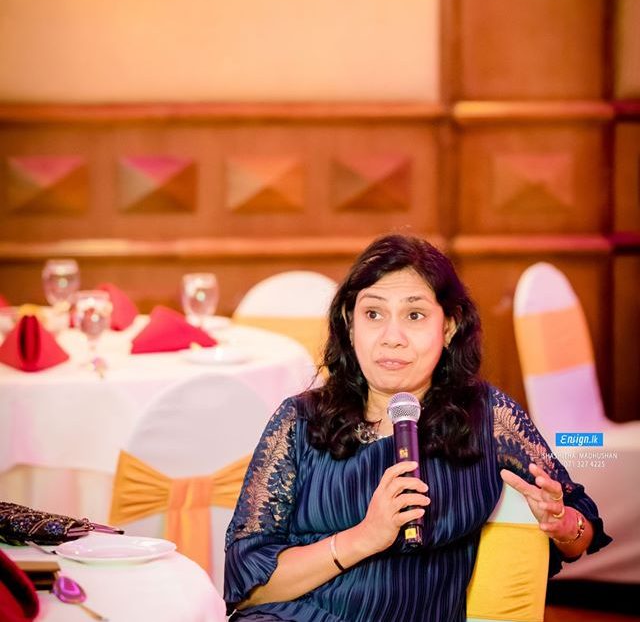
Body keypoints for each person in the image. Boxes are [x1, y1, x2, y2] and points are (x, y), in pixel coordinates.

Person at [224, 234, 611, 621]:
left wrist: (564, 525)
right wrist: (365, 537)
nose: (392, 338)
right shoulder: (300, 419)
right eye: (373, 314)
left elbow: (581, 524)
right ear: (349, 324)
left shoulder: (486, 417)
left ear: (449, 327)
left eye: (414, 315)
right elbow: (249, 587)